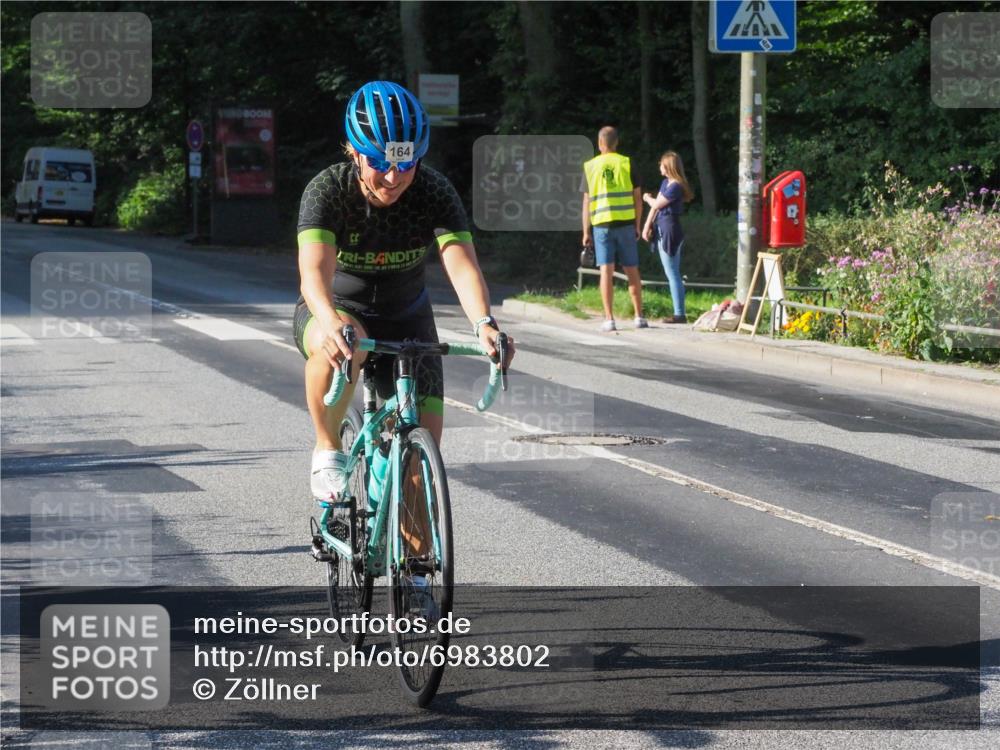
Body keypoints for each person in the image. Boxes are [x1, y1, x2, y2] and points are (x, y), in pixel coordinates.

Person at [294, 80, 514, 505]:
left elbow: (461, 261)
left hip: (408, 316)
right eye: (379, 162)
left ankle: (413, 570)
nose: (394, 178)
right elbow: (313, 275)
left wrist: (484, 323)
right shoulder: (327, 191)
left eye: (406, 163)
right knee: (342, 343)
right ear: (354, 152)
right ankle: (327, 449)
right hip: (334, 309)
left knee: (419, 468)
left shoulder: (432, 191)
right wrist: (330, 321)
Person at [582, 126, 648, 332]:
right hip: (626, 224)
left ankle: (609, 319)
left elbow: (586, 202)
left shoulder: (590, 166)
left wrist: (585, 231)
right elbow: (638, 198)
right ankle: (639, 316)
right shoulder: (626, 163)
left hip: (601, 226)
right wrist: (637, 225)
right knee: (632, 270)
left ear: (600, 143)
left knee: (606, 272)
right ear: (616, 142)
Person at [642, 150, 694, 324]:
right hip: (662, 226)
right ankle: (679, 312)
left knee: (672, 273)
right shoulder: (666, 183)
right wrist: (646, 225)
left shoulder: (676, 186)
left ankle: (679, 313)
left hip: (670, 229)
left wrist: (647, 198)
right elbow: (656, 208)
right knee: (671, 271)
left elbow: (656, 203)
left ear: (669, 166)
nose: (660, 166)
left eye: (662, 164)